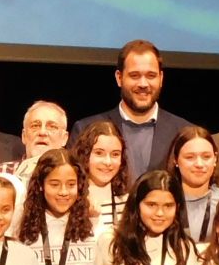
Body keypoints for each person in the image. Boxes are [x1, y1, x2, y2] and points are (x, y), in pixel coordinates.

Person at [71, 40, 196, 182]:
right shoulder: (84, 129)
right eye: (135, 76)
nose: (143, 84)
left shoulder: (184, 131)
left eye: (151, 76)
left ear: (161, 78)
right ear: (119, 78)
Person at [167, 125, 219, 244]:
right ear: (176, 160)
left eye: (206, 157)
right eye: (190, 157)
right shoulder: (164, 200)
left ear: (215, 159)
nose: (199, 164)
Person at [72, 120, 130, 233]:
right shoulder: (70, 198)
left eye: (115, 154)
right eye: (99, 153)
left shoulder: (128, 202)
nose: (108, 162)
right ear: (84, 154)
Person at [8, 100, 70, 183]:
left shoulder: (75, 175)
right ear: (24, 136)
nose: (42, 132)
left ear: (64, 138)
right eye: (35, 126)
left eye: (52, 127)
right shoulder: (1, 173)